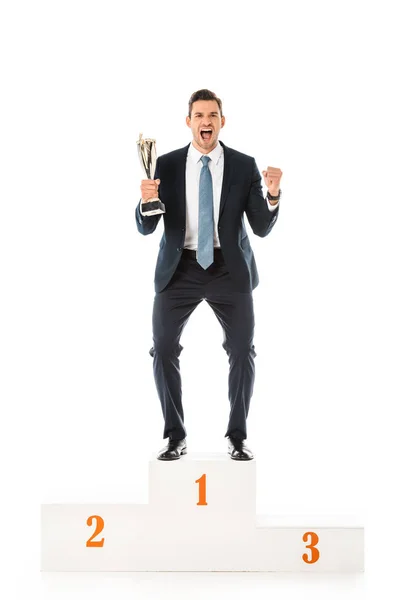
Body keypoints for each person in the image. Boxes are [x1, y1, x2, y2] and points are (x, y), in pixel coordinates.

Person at [136, 89, 282, 462]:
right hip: (178, 267)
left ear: (221, 121)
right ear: (189, 122)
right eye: (199, 115)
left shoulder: (242, 164)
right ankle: (174, 436)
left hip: (228, 269)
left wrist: (273, 194)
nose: (206, 121)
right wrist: (145, 201)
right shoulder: (165, 166)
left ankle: (237, 437)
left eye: (212, 115)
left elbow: (262, 228)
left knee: (241, 350)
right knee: (163, 348)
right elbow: (145, 228)